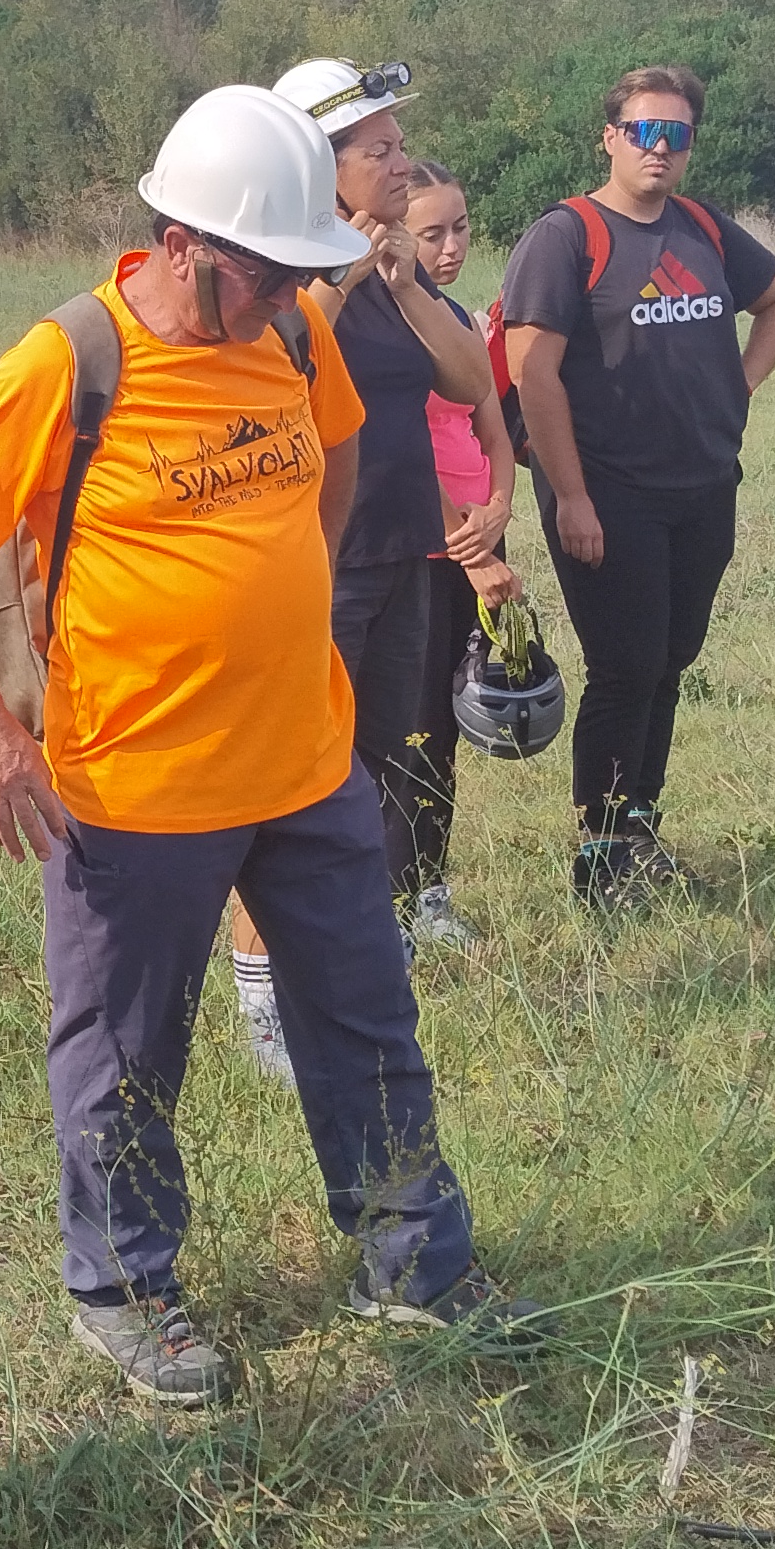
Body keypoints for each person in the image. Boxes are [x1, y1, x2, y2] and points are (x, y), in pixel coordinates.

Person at [0, 85, 535, 1409]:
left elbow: (336, 456)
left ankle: (413, 1261)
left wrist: (285, 605)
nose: (290, 294)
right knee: (124, 1050)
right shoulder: (73, 359)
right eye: (265, 272)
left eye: (300, 271)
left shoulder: (289, 329)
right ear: (179, 243)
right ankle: (123, 1290)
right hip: (134, 786)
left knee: (367, 1018)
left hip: (306, 762)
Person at [216, 60, 506, 1085]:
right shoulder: (276, 274)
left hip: (400, 554)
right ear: (317, 163)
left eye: (397, 146)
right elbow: (291, 363)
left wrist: (404, 282)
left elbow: (467, 381)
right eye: (377, 150)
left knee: (373, 774)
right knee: (288, 781)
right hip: (314, 566)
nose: (397, 163)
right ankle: (262, 998)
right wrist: (344, 273)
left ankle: (343, 969)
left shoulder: (399, 267)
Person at [494, 67, 775, 908]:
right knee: (624, 668)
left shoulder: (702, 228)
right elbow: (533, 375)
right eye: (643, 131)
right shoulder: (566, 237)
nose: (659, 149)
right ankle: (599, 863)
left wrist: (741, 383)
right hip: (607, 492)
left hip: (702, 485)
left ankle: (639, 829)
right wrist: (572, 497)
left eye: (676, 134)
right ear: (611, 138)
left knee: (670, 661)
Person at [402, 162, 526, 933]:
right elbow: (399, 446)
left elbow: (493, 425)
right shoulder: (381, 325)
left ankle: (431, 892)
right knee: (411, 727)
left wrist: (501, 507)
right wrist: (469, 546)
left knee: (452, 719)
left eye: (461, 227)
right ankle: (398, 902)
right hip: (423, 546)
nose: (451, 247)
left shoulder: (457, 317)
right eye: (432, 234)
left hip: (479, 531)